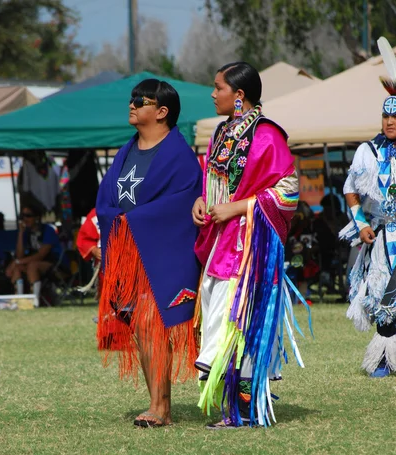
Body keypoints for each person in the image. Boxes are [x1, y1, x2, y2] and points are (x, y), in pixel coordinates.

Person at [192, 62, 304, 429]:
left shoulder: (268, 135)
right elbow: (214, 181)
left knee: (237, 318)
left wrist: (237, 207)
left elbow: (289, 192)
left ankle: (244, 408)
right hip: (220, 241)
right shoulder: (222, 133)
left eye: (218, 87)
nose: (212, 94)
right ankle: (234, 406)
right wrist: (202, 200)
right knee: (217, 312)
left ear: (238, 95)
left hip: (250, 244)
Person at [96, 78, 202, 427]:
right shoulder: (125, 152)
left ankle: (161, 408)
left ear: (161, 112)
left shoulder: (179, 156)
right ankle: (157, 403)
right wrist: (115, 226)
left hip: (164, 250)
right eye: (132, 99)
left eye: (140, 100)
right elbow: (107, 199)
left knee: (150, 322)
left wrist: (136, 219)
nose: (132, 104)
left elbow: (184, 200)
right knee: (142, 327)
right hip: (128, 249)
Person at [341, 68, 396, 377]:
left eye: (395, 117)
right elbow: (350, 187)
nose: (389, 122)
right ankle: (385, 358)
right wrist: (361, 222)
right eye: (385, 117)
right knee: (382, 291)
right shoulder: (370, 152)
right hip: (383, 232)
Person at [5, 199, 62, 307]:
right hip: (33, 263)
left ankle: (35, 302)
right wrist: (21, 233)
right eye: (23, 216)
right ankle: (19, 301)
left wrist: (17, 261)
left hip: (54, 264)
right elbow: (20, 255)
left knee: (32, 266)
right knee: (18, 268)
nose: (25, 219)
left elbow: (41, 255)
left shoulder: (48, 230)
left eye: (28, 215)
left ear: (37, 217)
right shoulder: (27, 233)